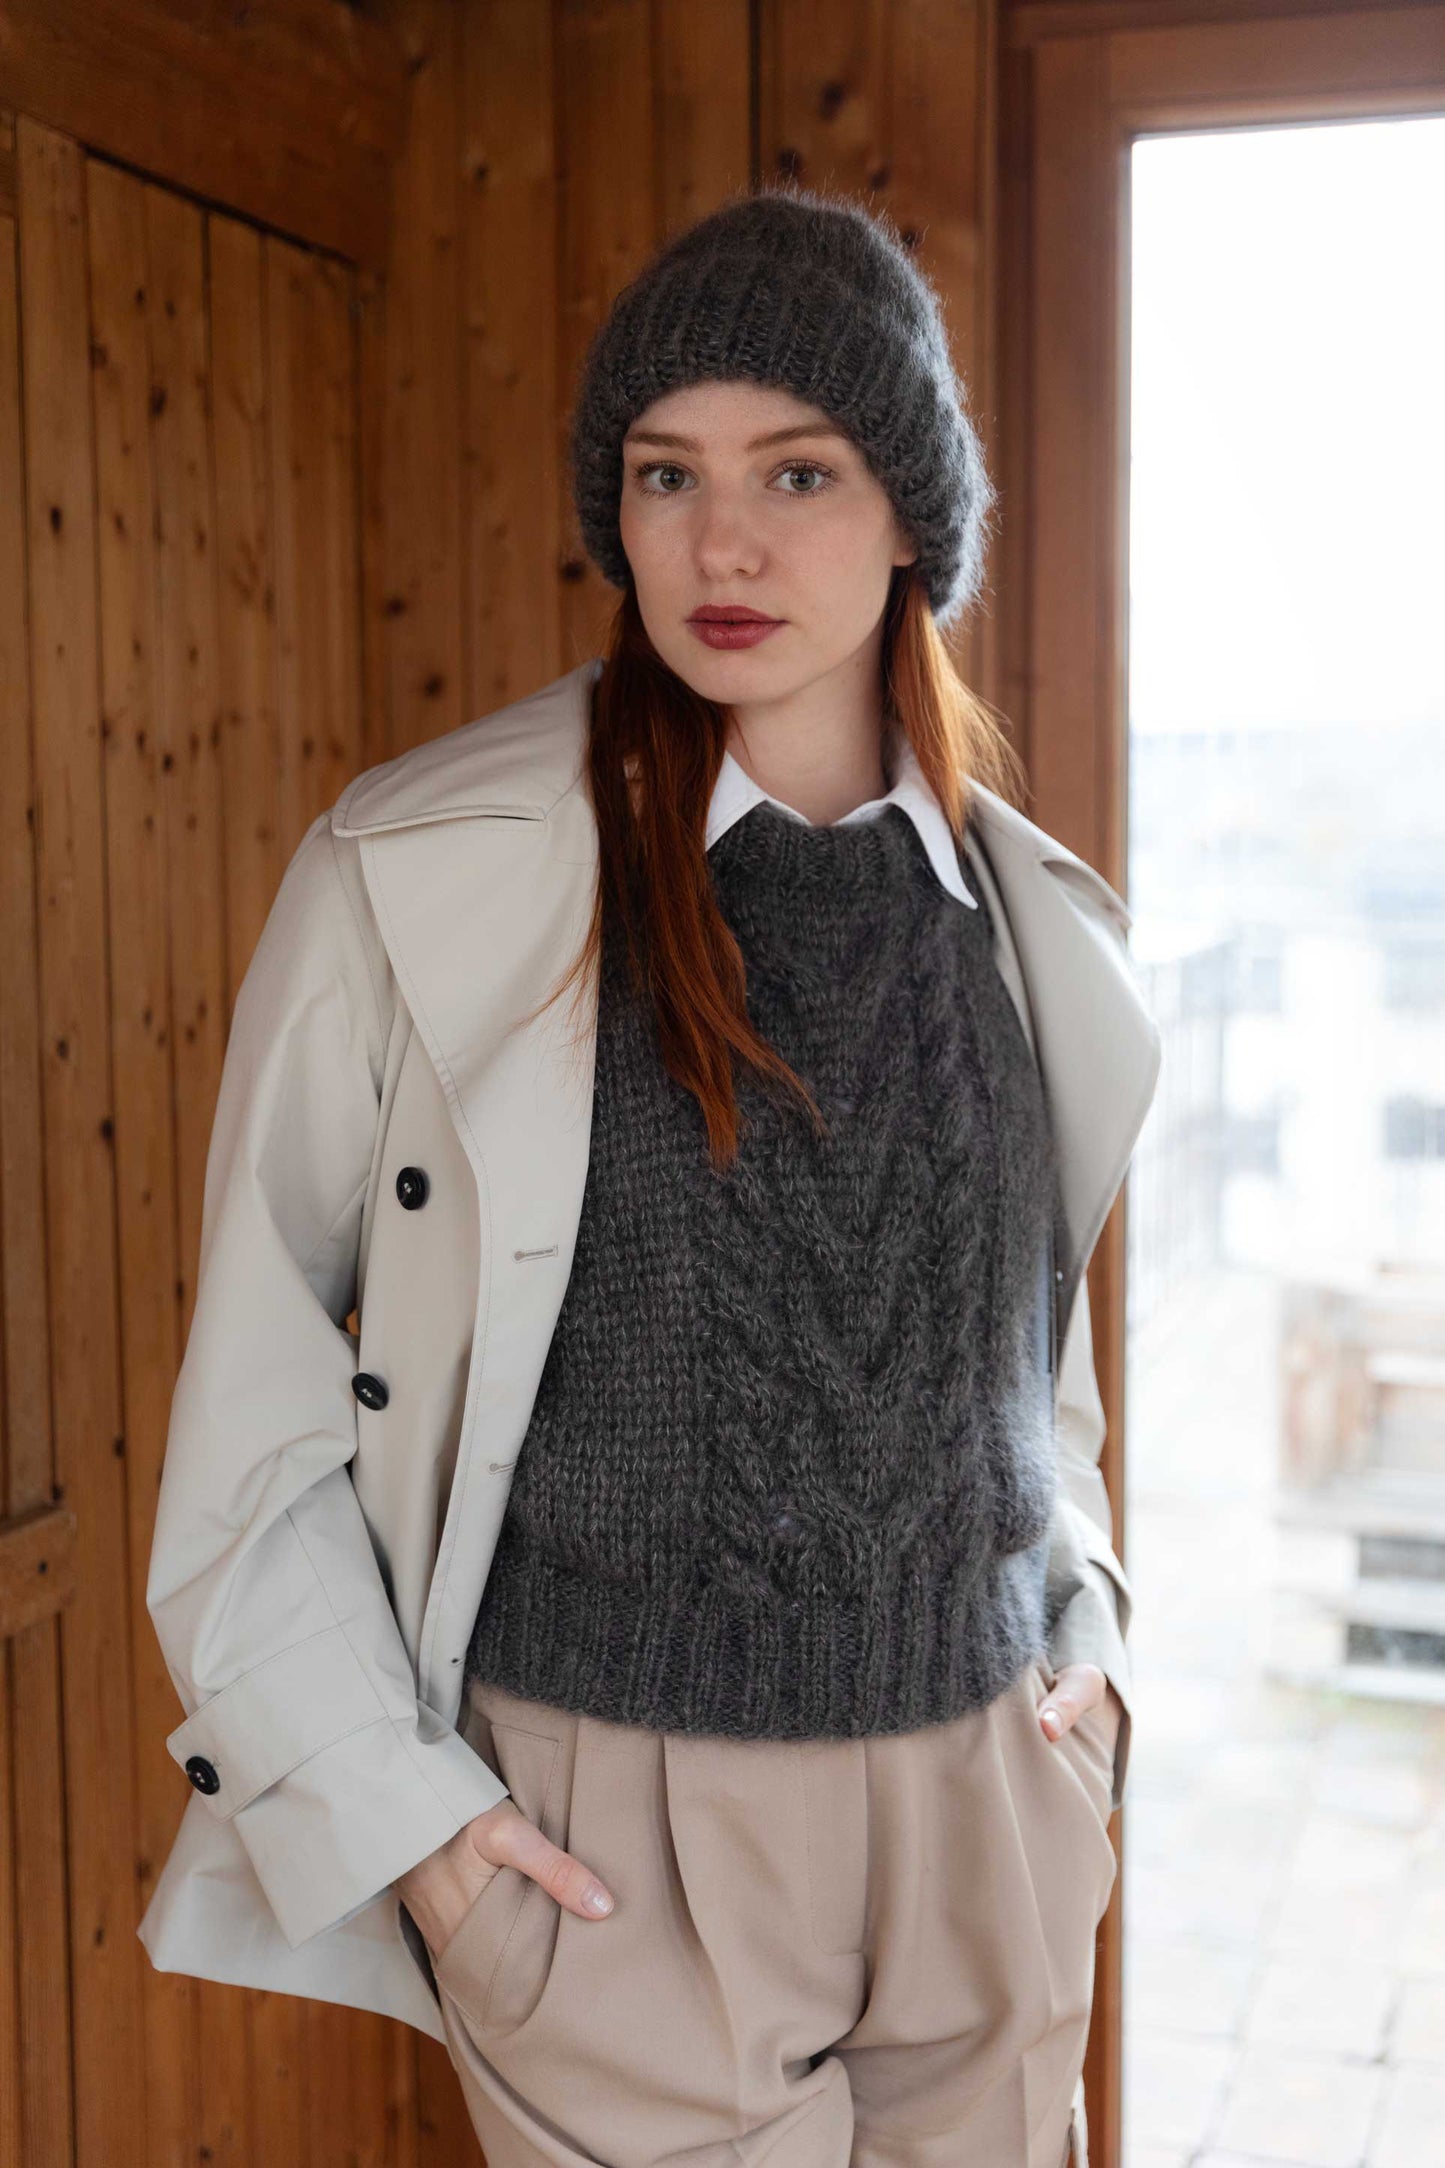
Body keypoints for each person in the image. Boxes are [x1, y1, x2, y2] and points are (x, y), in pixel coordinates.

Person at [139, 181, 1160, 2167]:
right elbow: (252, 1407)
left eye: (798, 466)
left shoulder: (1023, 923)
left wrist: (1089, 1673)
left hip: (986, 1813)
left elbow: (1036, 1378)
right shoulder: (417, 873)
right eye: (664, 470)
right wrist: (420, 1837)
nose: (721, 539)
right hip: (619, 1850)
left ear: (912, 520)